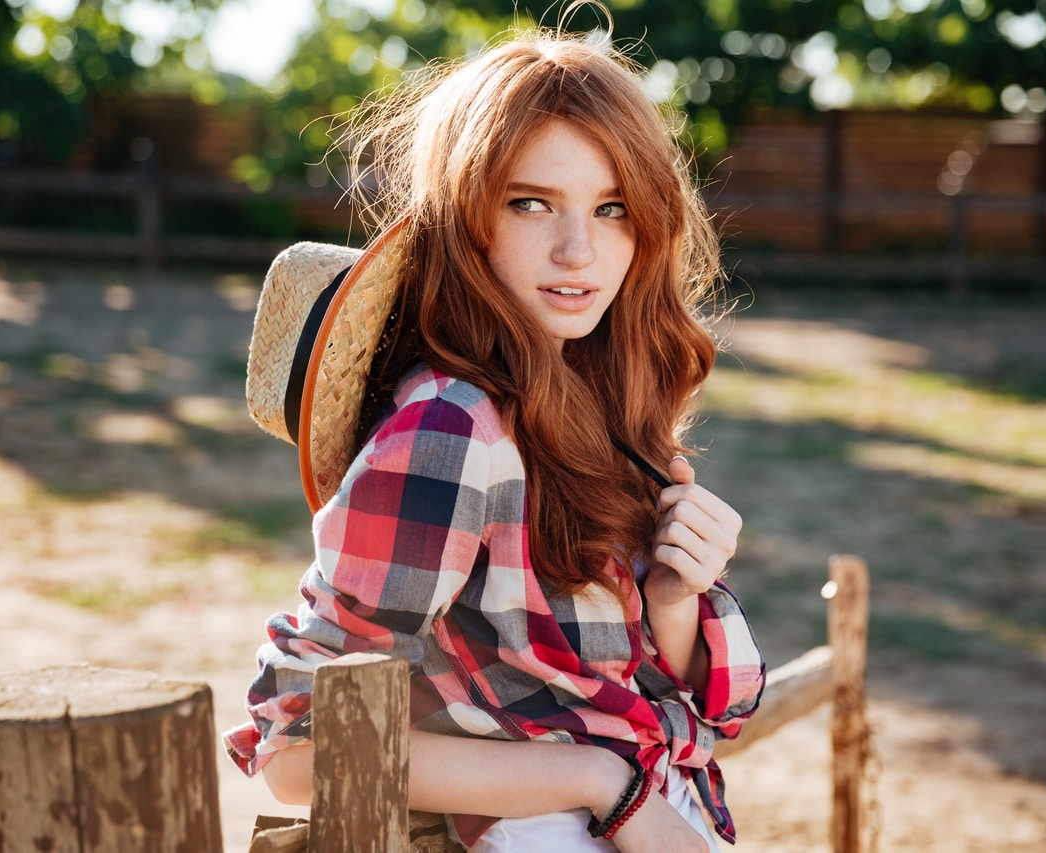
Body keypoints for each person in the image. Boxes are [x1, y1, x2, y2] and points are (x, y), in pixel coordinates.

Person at [225, 6, 765, 850]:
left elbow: (660, 698)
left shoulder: (602, 399)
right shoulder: (453, 426)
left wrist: (671, 600)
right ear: (466, 221)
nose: (579, 250)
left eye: (613, 208)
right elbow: (304, 748)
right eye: (531, 203)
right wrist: (603, 782)